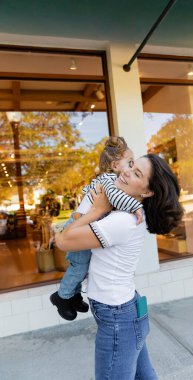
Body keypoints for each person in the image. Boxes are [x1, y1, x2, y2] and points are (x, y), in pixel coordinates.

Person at [55, 153, 183, 380]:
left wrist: (95, 211)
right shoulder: (127, 211)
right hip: (126, 310)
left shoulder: (123, 221)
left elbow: (63, 241)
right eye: (131, 165)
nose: (126, 171)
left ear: (147, 192)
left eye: (137, 173)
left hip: (118, 318)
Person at [50, 137, 143, 321]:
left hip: (83, 223)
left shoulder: (112, 180)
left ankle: (74, 295)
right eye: (130, 163)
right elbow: (115, 199)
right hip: (77, 225)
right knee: (79, 266)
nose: (132, 168)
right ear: (115, 165)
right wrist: (135, 206)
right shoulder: (108, 180)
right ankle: (62, 296)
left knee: (82, 267)